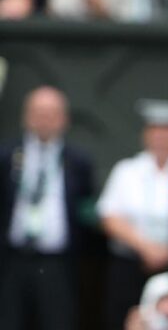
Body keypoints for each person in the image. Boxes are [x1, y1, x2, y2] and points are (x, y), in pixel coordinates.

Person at [0, 86, 95, 330]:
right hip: (12, 260)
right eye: (38, 112)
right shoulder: (7, 155)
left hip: (58, 263)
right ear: (25, 116)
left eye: (51, 113)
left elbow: (86, 209)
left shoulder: (78, 161)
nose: (44, 119)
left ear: (64, 119)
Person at [99, 99, 168, 329]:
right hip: (128, 265)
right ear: (146, 134)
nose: (162, 137)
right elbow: (109, 217)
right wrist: (145, 247)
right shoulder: (126, 170)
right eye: (156, 131)